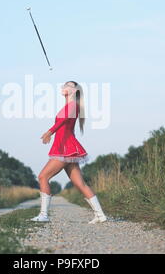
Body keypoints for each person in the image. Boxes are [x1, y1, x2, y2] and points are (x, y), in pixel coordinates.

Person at [30, 81, 107, 224]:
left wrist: (49, 132)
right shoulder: (68, 106)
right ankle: (100, 215)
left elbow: (62, 121)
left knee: (43, 177)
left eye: (67, 85)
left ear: (74, 90)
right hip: (66, 148)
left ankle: (43, 215)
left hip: (65, 149)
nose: (63, 86)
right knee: (80, 184)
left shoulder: (73, 106)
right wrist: (51, 133)